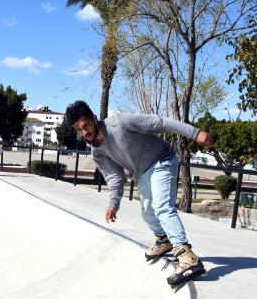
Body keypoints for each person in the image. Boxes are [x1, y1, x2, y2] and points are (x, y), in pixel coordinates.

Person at [64, 100, 213, 287]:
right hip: (142, 172)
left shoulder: (121, 122)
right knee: (148, 213)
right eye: (79, 129)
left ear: (94, 119)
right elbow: (114, 177)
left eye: (86, 125)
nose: (85, 132)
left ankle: (187, 256)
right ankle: (164, 239)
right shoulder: (97, 153)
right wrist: (113, 204)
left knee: (162, 207)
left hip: (162, 160)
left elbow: (159, 122)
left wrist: (194, 133)